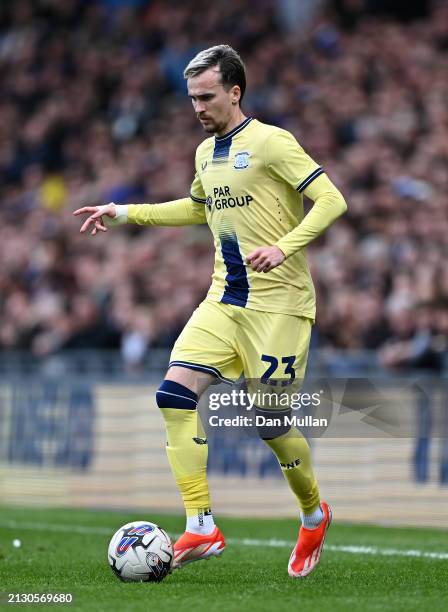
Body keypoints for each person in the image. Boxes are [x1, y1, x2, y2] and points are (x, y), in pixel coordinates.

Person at [74, 45, 347, 578]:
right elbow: (197, 207)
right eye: (192, 98)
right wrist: (124, 211)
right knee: (173, 395)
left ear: (234, 92)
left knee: (269, 422)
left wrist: (285, 246)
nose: (197, 107)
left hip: (281, 306)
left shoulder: (272, 142)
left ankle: (313, 513)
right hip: (225, 299)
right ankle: (201, 525)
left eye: (206, 96)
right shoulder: (205, 154)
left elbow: (333, 199)